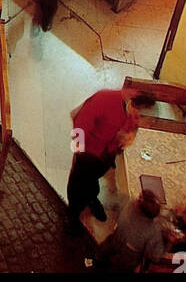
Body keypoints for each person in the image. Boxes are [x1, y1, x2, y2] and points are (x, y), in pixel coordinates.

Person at [66, 87, 155, 230]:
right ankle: (72, 213)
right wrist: (80, 153)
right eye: (137, 112)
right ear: (131, 102)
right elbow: (80, 125)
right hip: (88, 152)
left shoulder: (135, 109)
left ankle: (91, 198)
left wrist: (130, 134)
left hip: (107, 154)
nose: (137, 117)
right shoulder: (104, 99)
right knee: (78, 184)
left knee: (93, 179)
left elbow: (133, 125)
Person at [95, 192, 168, 271]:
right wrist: (170, 243)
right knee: (121, 268)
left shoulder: (128, 203)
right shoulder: (154, 230)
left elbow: (110, 202)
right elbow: (155, 256)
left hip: (117, 236)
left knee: (106, 248)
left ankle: (98, 258)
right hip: (130, 255)